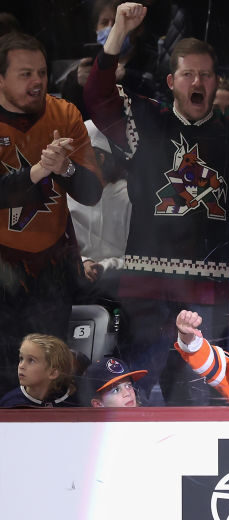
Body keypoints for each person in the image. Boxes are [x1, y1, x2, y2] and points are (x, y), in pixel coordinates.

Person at [83, 2, 229, 404]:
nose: (198, 81)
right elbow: (97, 96)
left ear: (216, 82)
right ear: (171, 81)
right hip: (147, 289)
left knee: (204, 399)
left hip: (215, 291)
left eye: (206, 75)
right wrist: (119, 31)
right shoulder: (146, 121)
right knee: (133, 394)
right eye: (188, 74)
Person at [0, 32, 103, 396]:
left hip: (50, 269)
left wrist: (65, 168)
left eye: (42, 73)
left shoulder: (64, 114)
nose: (37, 82)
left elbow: (91, 193)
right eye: (25, 74)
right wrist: (38, 172)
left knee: (46, 379)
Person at [67, 120, 131, 287]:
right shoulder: (67, 197)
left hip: (119, 285)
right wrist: (83, 262)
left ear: (100, 158)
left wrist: (102, 267)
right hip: (75, 282)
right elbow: (60, 250)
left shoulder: (129, 198)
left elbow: (142, 257)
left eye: (77, 157)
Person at [1, 334, 78, 408]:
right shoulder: (10, 403)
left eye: (31, 360)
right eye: (21, 358)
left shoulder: (75, 402)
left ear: (53, 373)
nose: (21, 366)